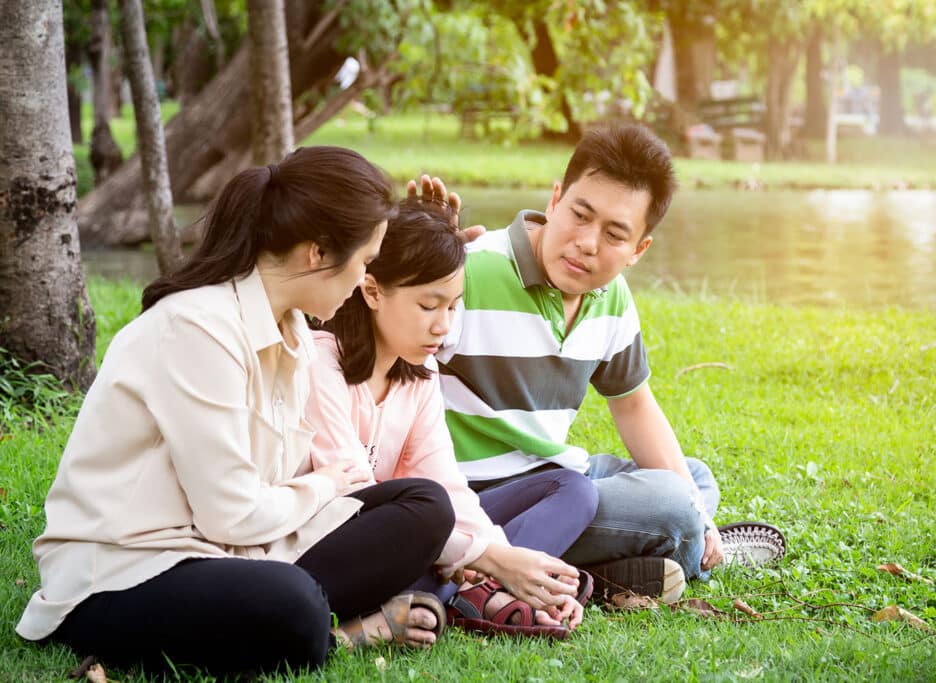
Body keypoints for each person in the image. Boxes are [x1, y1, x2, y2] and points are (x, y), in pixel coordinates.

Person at [16, 147, 457, 676]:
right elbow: (231, 513)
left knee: (424, 506)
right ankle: (339, 632)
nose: (364, 281)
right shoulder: (198, 328)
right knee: (291, 604)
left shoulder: (291, 330)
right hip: (123, 571)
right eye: (365, 262)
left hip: (233, 550)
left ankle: (309, 616)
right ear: (317, 254)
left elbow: (260, 498)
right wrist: (323, 485)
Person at [435, 123, 785, 603]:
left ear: (639, 250)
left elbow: (635, 406)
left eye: (614, 234)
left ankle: (626, 567)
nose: (587, 243)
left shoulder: (611, 297)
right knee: (674, 505)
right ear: (556, 198)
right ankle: (675, 556)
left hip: (555, 477)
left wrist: (695, 510)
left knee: (693, 478)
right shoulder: (472, 270)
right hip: (485, 497)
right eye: (580, 215)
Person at [304, 190, 597, 639]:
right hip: (336, 547)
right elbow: (354, 508)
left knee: (571, 487)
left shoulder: (419, 372)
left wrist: (506, 559)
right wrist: (492, 560)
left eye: (453, 306)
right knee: (425, 518)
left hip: (419, 538)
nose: (443, 325)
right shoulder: (321, 365)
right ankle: (472, 594)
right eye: (428, 305)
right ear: (372, 290)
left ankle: (478, 592)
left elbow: (449, 486)